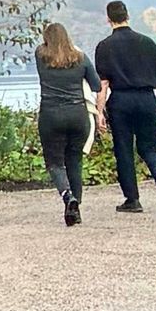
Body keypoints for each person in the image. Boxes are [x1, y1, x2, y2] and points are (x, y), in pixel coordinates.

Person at [90, 0, 156, 215]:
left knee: (124, 150)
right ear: (128, 16)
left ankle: (132, 199)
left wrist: (99, 112)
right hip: (147, 99)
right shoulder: (148, 43)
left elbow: (103, 85)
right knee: (149, 147)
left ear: (108, 19)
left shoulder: (104, 46)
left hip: (121, 102)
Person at [34, 19, 94, 224]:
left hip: (51, 116)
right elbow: (95, 84)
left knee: (55, 163)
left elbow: (46, 49)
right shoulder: (81, 58)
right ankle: (76, 210)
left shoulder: (40, 56)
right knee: (75, 161)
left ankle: (68, 197)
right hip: (78, 115)